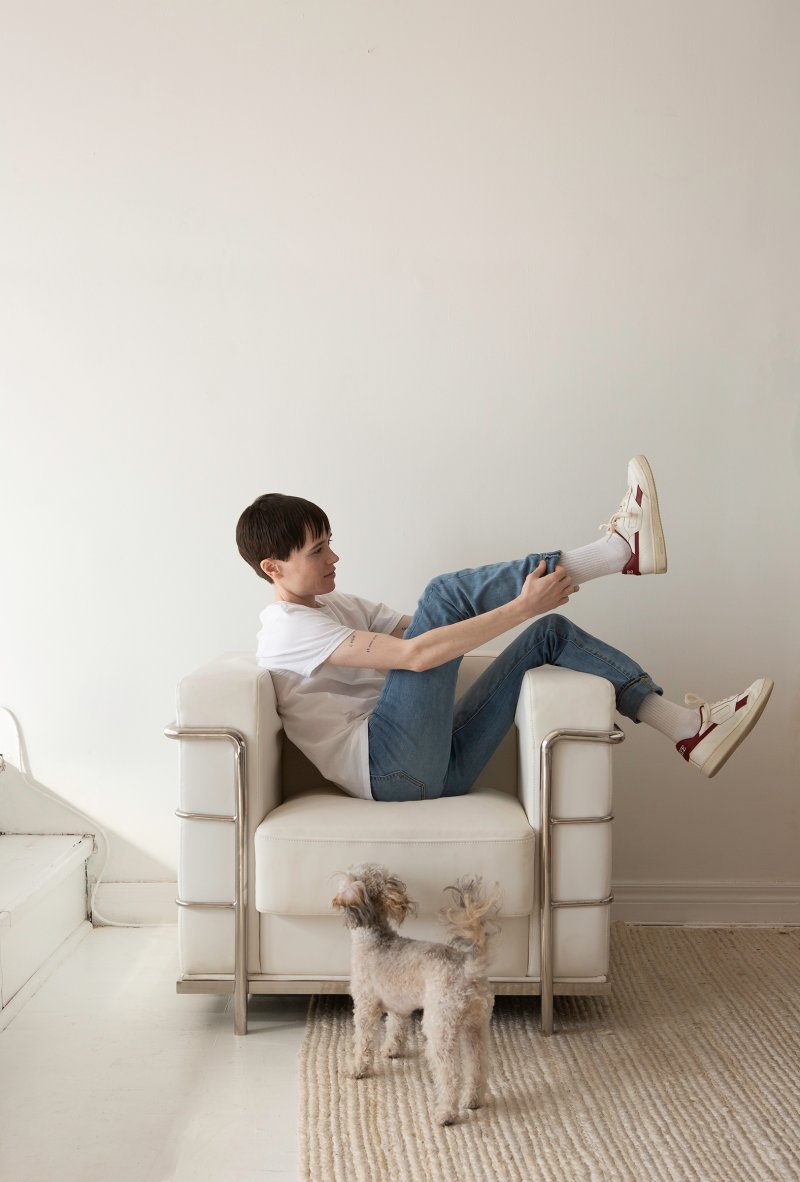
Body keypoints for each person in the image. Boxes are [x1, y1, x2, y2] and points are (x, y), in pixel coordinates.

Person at [236, 457, 773, 803]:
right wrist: (521, 606)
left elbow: (438, 629)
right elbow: (417, 655)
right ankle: (616, 552)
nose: (334, 557)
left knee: (549, 634)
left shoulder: (337, 605)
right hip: (389, 770)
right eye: (317, 550)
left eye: (330, 542)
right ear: (273, 568)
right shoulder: (284, 631)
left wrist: (530, 610)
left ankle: (686, 728)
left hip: (435, 768)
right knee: (443, 592)